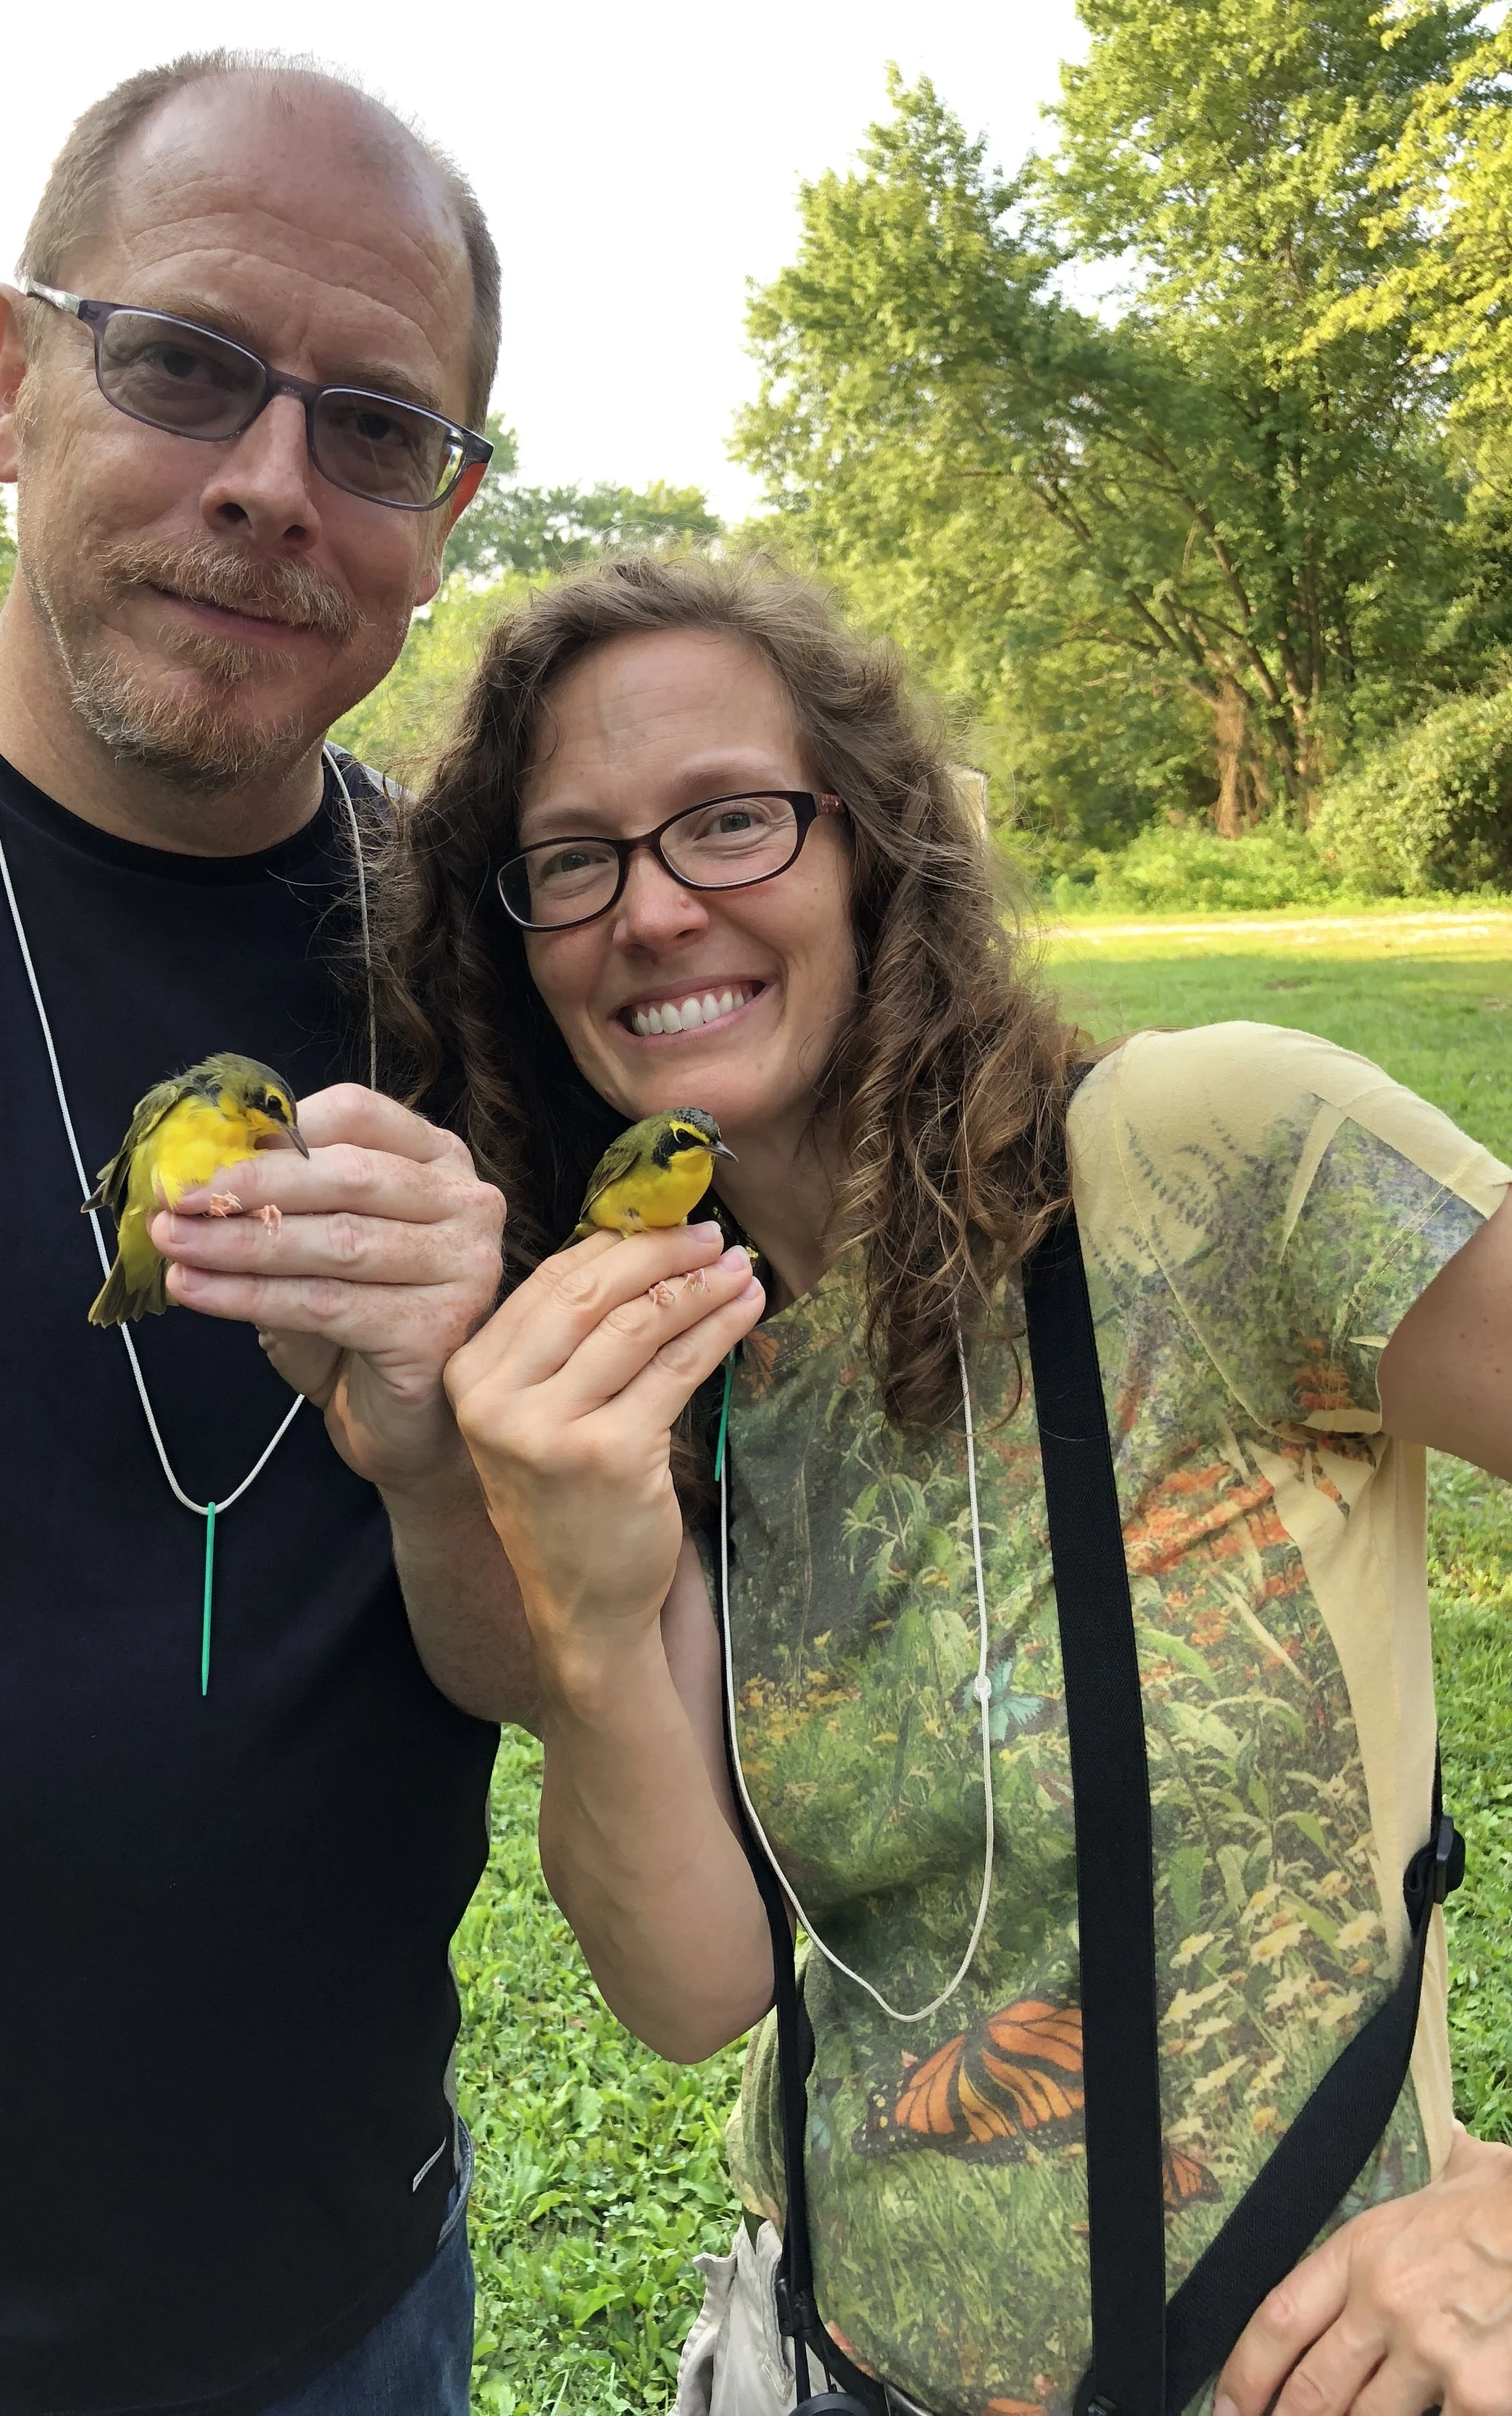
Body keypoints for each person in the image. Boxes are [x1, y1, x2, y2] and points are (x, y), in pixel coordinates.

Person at [378, 554, 1512, 2416]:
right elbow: (688, 1988)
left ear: (873, 843)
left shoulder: (1216, 1160)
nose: (651, 912)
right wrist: (587, 1606)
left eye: (729, 823)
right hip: (808, 2361)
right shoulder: (662, 1352)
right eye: (570, 860)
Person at [0, 51, 536, 2416]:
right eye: (183, 366)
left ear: (449, 512)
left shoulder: (483, 958)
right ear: (6, 380)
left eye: (379, 428)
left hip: (354, 2318)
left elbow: (570, 1644)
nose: (275, 483)